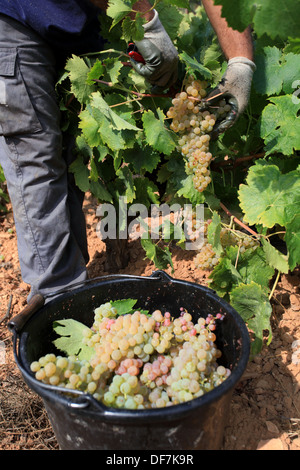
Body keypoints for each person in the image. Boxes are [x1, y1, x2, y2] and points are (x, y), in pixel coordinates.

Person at [0, 0, 254, 305]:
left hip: (77, 25)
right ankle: (59, 302)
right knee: (34, 152)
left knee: (68, 155)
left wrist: (241, 62)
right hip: (15, 18)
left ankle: (72, 276)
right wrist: (147, 22)